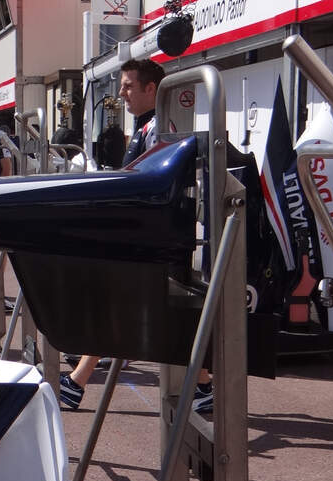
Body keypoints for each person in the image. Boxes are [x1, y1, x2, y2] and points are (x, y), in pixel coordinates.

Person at [58, 58, 215, 414]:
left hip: (155, 236)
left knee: (121, 304)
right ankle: (203, 383)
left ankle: (77, 380)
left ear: (151, 89)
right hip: (146, 233)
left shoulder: (160, 126)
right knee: (128, 308)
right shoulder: (146, 126)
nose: (121, 93)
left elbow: (151, 182)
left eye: (128, 86)